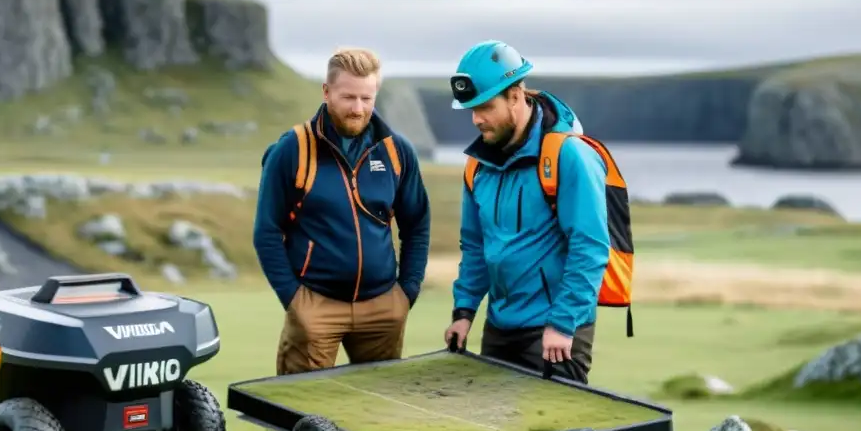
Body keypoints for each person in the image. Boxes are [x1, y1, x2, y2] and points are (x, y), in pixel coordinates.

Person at [442, 40, 625, 385]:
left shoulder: (569, 156)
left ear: (515, 95)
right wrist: (464, 312)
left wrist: (563, 323)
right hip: (499, 328)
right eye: (470, 108)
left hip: (554, 334)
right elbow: (476, 247)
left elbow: (589, 247)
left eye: (484, 106)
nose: (476, 118)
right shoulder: (477, 166)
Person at [254, 47, 431, 376]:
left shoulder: (397, 151)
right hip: (315, 305)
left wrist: (406, 293)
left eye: (367, 98)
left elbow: (417, 224)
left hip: (383, 306)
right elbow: (266, 232)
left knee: (377, 412)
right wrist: (295, 301)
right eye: (349, 97)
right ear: (326, 92)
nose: (358, 109)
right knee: (299, 410)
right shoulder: (292, 150)